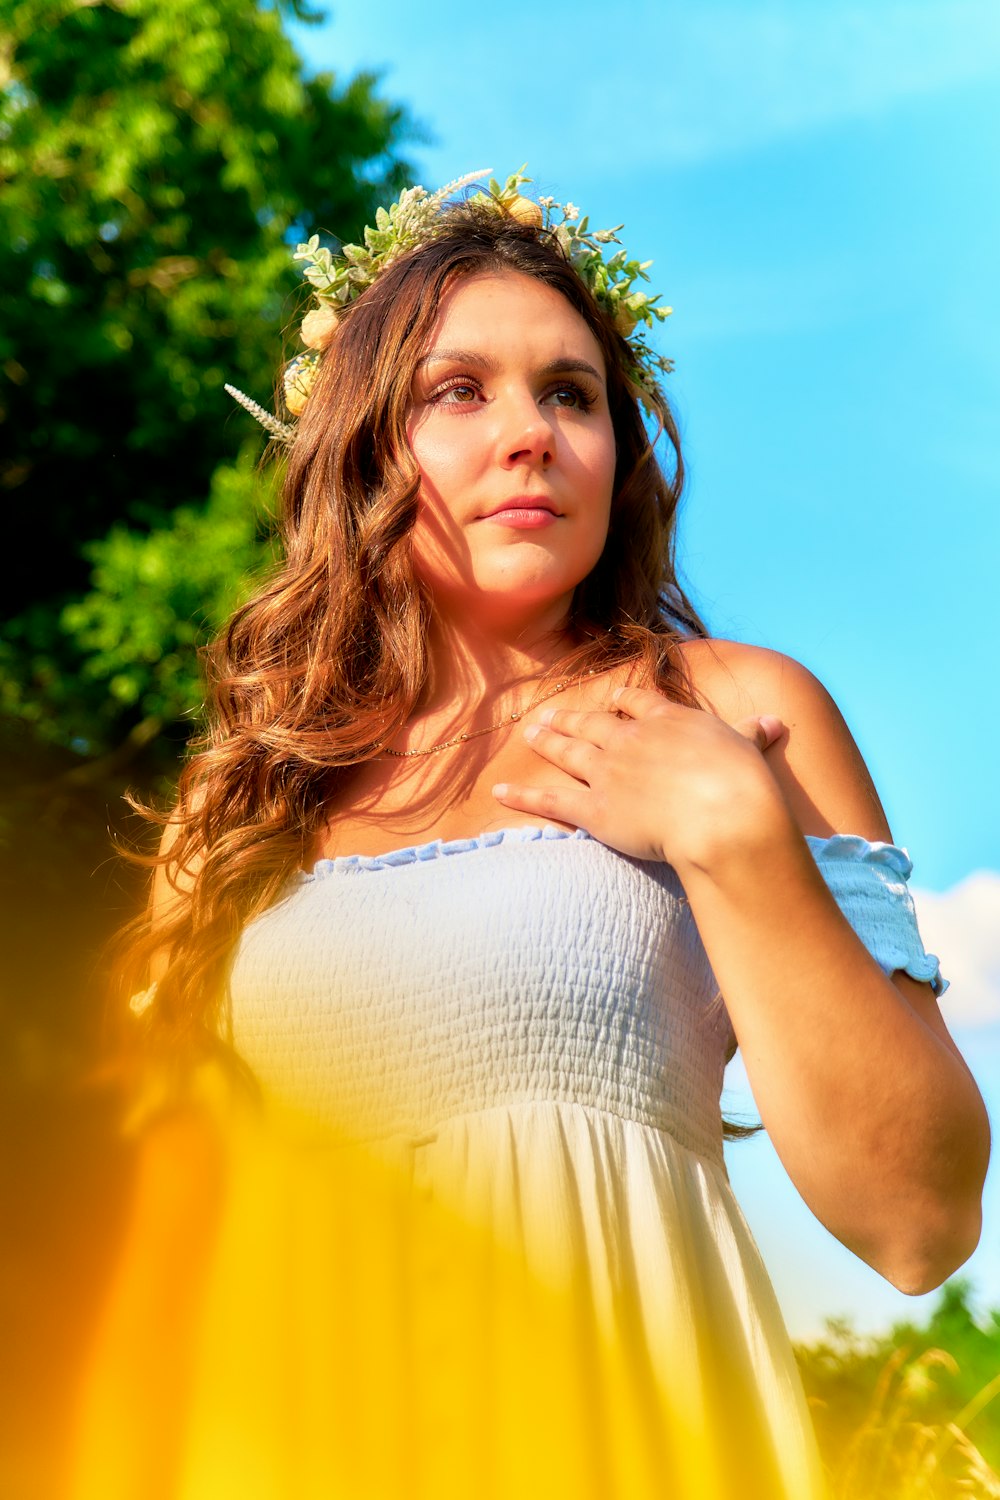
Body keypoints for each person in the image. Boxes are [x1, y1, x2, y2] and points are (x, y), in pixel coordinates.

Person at [78, 170, 989, 1500]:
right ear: (367, 448)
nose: (531, 434)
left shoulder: (740, 714)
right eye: (462, 391)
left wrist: (732, 831)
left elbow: (919, 1219)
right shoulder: (241, 810)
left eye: (572, 393)